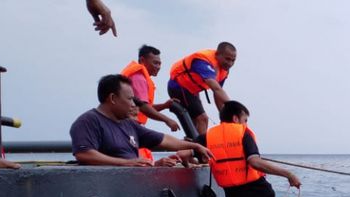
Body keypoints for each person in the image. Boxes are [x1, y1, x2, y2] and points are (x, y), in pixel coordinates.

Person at [70, 74, 212, 167]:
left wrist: (195, 146)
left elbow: (164, 140)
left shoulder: (129, 124)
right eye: (130, 99)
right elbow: (84, 154)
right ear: (112, 98)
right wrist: (126, 163)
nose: (133, 104)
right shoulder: (88, 121)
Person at [168, 43, 237, 135]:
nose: (230, 63)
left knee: (199, 122)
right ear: (217, 54)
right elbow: (216, 88)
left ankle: (197, 143)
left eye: (233, 60)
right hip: (178, 87)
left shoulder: (224, 70)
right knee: (202, 118)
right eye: (227, 59)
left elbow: (218, 94)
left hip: (192, 91)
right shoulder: (203, 61)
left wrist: (224, 117)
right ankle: (202, 147)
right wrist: (234, 109)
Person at [121, 45, 179, 133]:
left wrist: (164, 105)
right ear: (142, 60)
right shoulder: (138, 77)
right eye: (155, 63)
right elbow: (144, 107)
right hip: (128, 127)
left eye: (159, 64)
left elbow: (144, 106)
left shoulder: (138, 76)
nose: (158, 67)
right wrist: (167, 120)